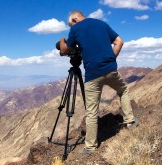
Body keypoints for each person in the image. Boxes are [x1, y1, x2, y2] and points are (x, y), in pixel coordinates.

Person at [58, 10, 138, 155]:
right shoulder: (101, 23)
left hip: (92, 75)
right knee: (123, 91)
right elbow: (119, 41)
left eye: (71, 25)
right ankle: (130, 121)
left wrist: (63, 39)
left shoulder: (75, 29)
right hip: (111, 70)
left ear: (74, 20)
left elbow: (64, 49)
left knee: (92, 111)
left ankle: (90, 146)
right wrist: (110, 60)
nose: (72, 28)